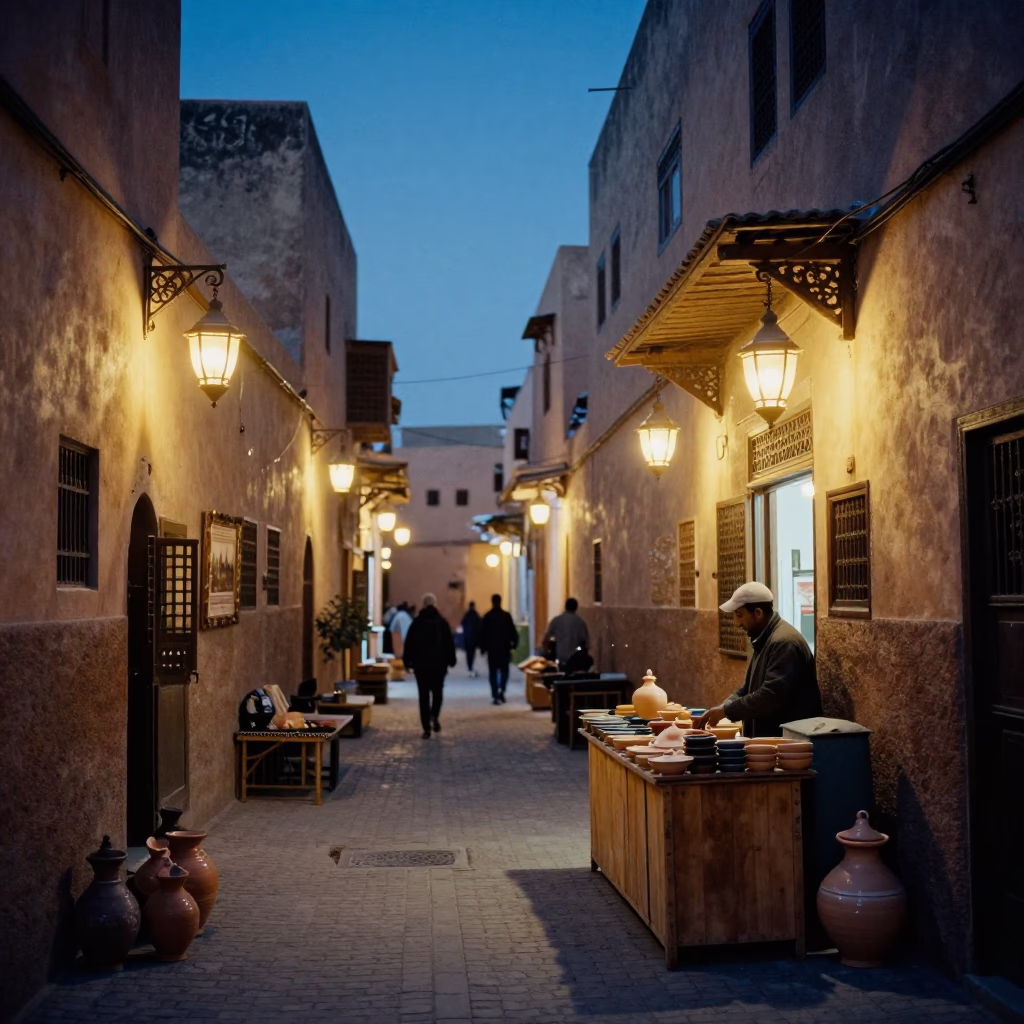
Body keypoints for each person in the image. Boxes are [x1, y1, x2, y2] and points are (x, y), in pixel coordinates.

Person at [697, 582, 822, 738]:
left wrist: (727, 711)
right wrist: (725, 706)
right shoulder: (764, 638)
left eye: (739, 615)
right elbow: (748, 689)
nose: (737, 623)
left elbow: (770, 695)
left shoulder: (784, 643)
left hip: (787, 744)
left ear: (758, 612)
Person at [402, 593, 456, 739]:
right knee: (438, 692)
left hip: (421, 666)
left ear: (423, 605)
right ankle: (435, 716)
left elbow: (409, 644)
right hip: (439, 665)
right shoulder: (442, 622)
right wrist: (451, 660)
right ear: (435, 604)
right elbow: (449, 643)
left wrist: (407, 662)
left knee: (423, 696)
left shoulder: (417, 622)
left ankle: (426, 728)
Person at [478, 593, 519, 705]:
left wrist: (482, 647)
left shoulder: (487, 616)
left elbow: (482, 634)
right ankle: (502, 690)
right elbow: (513, 632)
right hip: (504, 649)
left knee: (493, 672)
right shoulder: (506, 616)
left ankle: (495, 693)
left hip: (492, 649)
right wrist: (514, 644)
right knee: (504, 671)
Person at [543, 597, 590, 666]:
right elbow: (586, 643)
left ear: (565, 606)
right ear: (576, 608)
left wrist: (546, 652)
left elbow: (546, 638)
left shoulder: (557, 620)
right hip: (575, 658)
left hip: (560, 656)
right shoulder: (580, 622)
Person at [460, 601, 482, 677]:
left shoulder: (467, 615)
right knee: (472, 653)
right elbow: (480, 625)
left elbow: (462, 624)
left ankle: (469, 666)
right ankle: (470, 666)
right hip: (474, 638)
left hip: (467, 638)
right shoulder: (476, 615)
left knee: (468, 654)